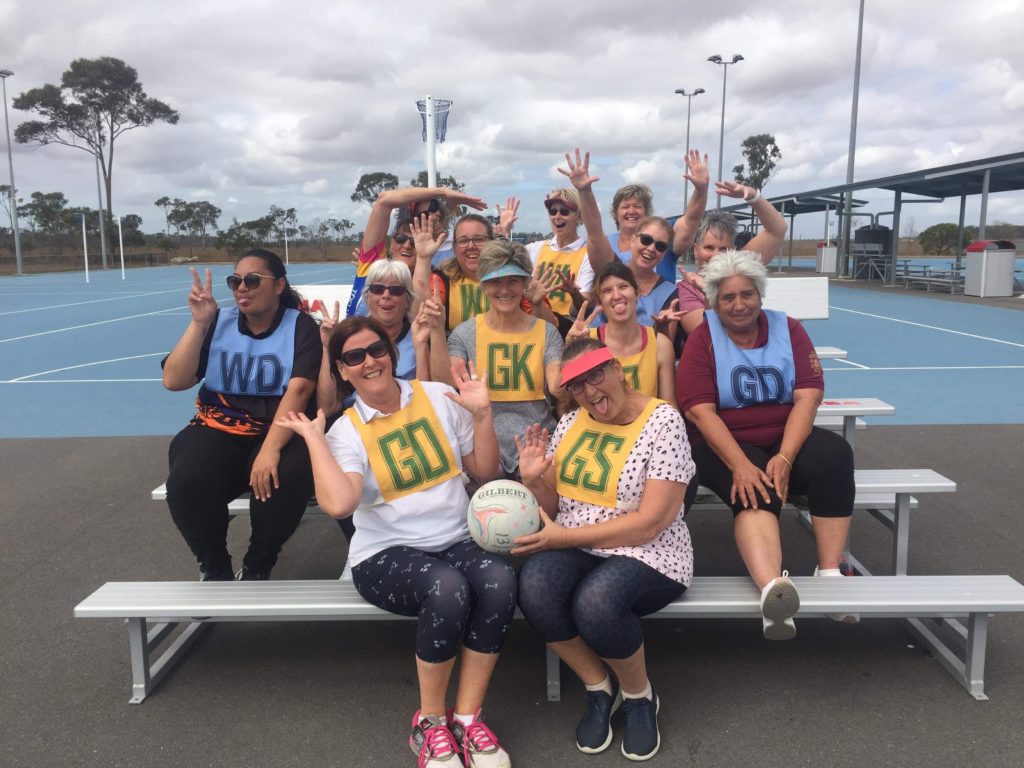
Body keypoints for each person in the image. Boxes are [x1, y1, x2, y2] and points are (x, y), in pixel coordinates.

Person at [278, 316, 515, 768]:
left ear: (391, 352)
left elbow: (484, 472)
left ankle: (466, 717)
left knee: (500, 579)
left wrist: (482, 414)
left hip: (455, 538)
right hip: (385, 555)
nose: (369, 361)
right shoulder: (346, 431)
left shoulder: (436, 397)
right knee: (447, 589)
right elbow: (339, 504)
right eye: (354, 357)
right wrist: (314, 441)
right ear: (342, 371)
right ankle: (429, 724)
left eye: (377, 349)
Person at [514, 337, 694, 761]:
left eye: (596, 375)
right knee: (534, 585)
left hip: (650, 550)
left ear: (617, 369)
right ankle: (599, 686)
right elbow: (555, 507)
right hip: (578, 539)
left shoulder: (663, 421)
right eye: (576, 385)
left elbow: (651, 523)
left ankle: (638, 695)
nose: (590, 392)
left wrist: (565, 537)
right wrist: (535, 481)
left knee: (597, 600)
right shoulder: (571, 422)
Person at [676, 250, 856, 641]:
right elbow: (700, 411)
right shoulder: (703, 337)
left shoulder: (788, 328)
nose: (739, 304)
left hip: (782, 435)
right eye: (728, 297)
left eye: (747, 294)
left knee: (834, 456)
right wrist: (740, 464)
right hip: (723, 441)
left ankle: (829, 572)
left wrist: (787, 456)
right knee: (754, 490)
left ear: (760, 294)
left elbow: (808, 396)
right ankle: (773, 590)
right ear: (713, 301)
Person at [161, 249, 319, 581]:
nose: (241, 288)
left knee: (285, 475)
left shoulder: (300, 326)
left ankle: (258, 564)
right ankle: (214, 564)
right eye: (235, 281)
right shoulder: (219, 322)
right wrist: (199, 323)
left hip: (277, 427)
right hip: (218, 426)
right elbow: (174, 380)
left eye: (252, 280)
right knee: (187, 479)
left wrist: (270, 449)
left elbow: (300, 390)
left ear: (278, 286)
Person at [438, 238, 565, 479]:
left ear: (525, 283)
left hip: (537, 442)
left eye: (513, 281)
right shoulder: (464, 334)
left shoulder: (547, 332)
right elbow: (445, 382)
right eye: (495, 282)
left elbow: (559, 388)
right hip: (480, 442)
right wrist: (435, 331)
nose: (504, 290)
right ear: (483, 285)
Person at [347, 185, 487, 317]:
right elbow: (383, 200)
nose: (407, 244)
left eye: (414, 242)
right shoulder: (373, 267)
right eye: (401, 238)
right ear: (390, 245)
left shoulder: (430, 280)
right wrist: (443, 192)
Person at [414, 213, 559, 333]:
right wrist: (422, 258)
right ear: (454, 247)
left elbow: (551, 330)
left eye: (478, 239)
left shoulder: (513, 278)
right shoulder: (443, 279)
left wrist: (538, 305)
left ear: (492, 241)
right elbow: (418, 314)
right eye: (463, 240)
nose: (471, 246)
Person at [676, 192, 788, 338]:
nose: (716, 255)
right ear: (696, 250)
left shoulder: (742, 267)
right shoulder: (687, 289)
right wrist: (707, 292)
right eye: (709, 247)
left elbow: (778, 229)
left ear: (733, 251)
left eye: (723, 249)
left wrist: (753, 196)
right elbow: (702, 333)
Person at [566, 261, 677, 407]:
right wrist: (570, 347)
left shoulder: (660, 344)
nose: (617, 296)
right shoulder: (587, 340)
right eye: (607, 291)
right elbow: (568, 401)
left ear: (637, 293)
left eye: (623, 286)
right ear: (600, 302)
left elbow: (669, 408)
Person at [590, 150, 710, 284]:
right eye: (625, 207)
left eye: (638, 206)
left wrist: (701, 190)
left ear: (647, 213)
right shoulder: (605, 244)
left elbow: (690, 221)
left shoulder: (663, 235)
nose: (631, 211)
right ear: (616, 213)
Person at [523, 188, 593, 320]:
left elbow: (585, 305)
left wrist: (574, 293)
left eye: (564, 211)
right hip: (533, 323)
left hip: (566, 326)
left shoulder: (587, 254)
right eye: (553, 211)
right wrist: (504, 232)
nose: (557, 217)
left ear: (578, 216)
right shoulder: (535, 249)